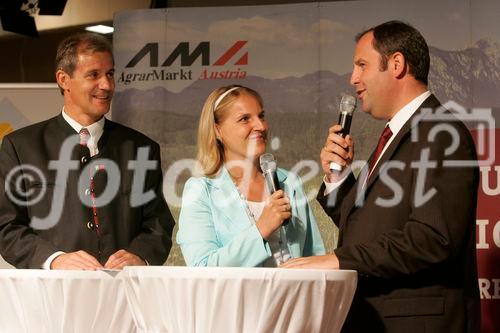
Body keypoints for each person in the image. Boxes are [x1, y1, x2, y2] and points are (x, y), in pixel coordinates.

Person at [282, 21, 480, 332]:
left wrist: (338, 260)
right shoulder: (396, 134)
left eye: (362, 65)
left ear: (397, 64)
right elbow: (369, 225)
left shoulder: (441, 134)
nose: (353, 78)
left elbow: (432, 238)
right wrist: (339, 178)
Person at [0, 32, 175, 270]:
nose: (107, 85)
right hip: (52, 297)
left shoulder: (141, 148)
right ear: (63, 79)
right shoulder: (20, 146)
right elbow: (7, 227)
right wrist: (55, 259)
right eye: (94, 75)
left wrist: (139, 255)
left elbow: (158, 224)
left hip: (123, 295)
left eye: (110, 74)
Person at [176, 85, 325, 267]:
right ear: (217, 130)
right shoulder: (201, 190)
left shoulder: (289, 182)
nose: (260, 126)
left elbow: (315, 256)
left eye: (261, 116)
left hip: (292, 295)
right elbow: (202, 267)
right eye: (245, 119)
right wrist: (261, 228)